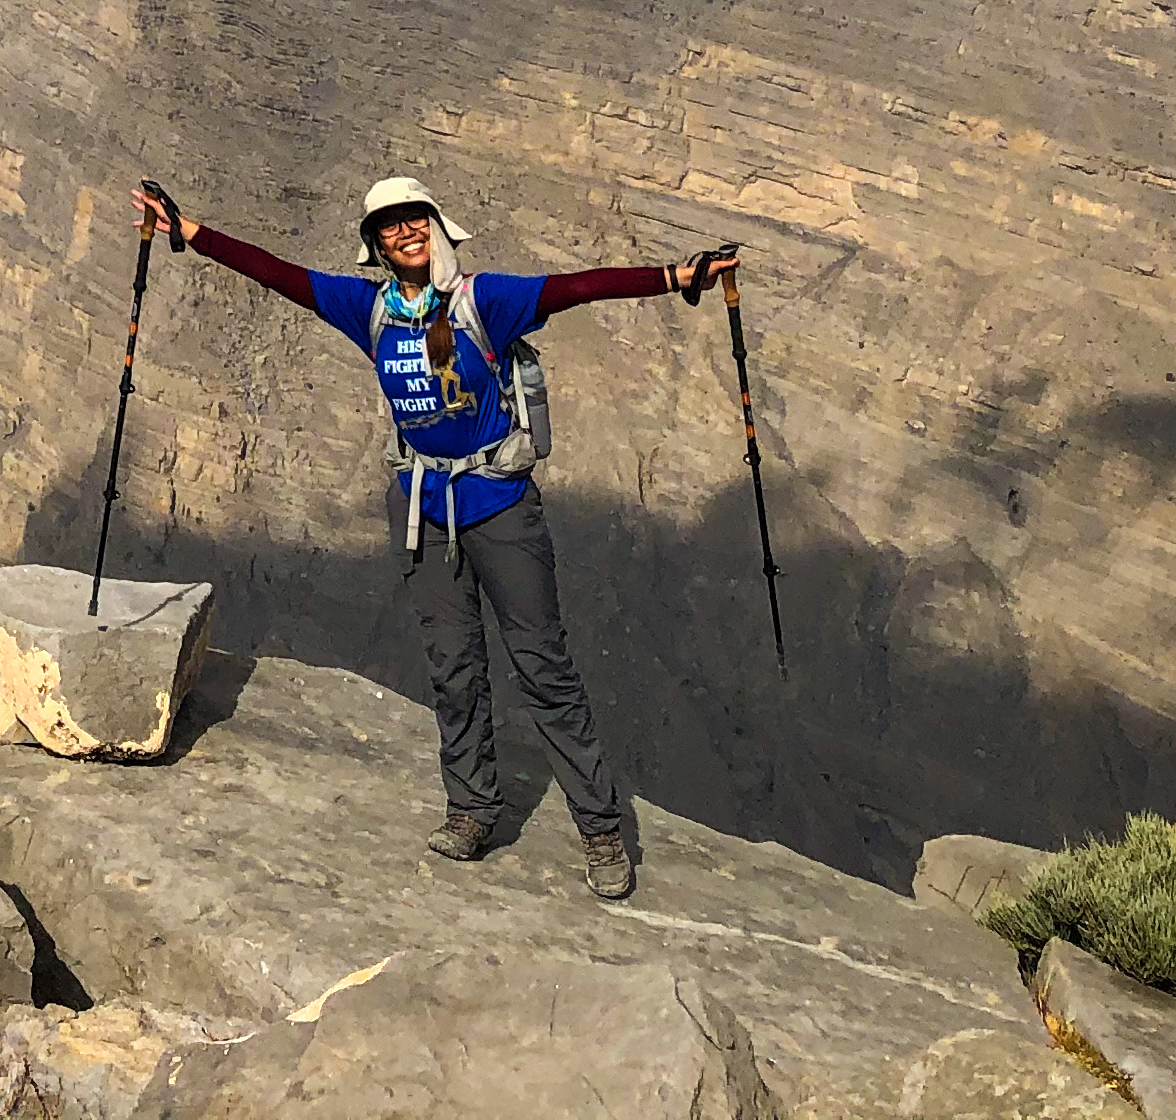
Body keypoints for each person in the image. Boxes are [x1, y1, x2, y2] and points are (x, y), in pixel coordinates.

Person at [133, 173, 736, 903]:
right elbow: (279, 275)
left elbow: (577, 288)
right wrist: (188, 230)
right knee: (454, 669)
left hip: (501, 507)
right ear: (376, 245)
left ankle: (600, 829)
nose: (404, 232)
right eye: (389, 226)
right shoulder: (369, 310)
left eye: (414, 219)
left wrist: (676, 277)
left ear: (438, 225)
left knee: (543, 669)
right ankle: (473, 809)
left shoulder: (487, 300)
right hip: (423, 508)